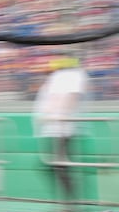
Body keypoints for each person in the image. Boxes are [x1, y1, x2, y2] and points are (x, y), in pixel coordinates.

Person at [32, 55, 88, 204]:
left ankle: (70, 202)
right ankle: (69, 200)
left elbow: (70, 98)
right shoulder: (57, 80)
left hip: (62, 129)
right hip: (54, 128)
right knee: (56, 165)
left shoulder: (70, 77)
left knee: (59, 165)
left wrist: (56, 113)